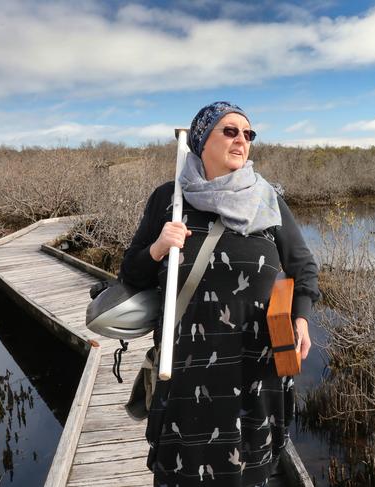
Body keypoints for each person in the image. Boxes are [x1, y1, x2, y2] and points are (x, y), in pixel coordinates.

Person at [118, 101, 320, 487]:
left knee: (251, 469)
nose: (241, 139)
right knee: (182, 470)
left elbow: (303, 267)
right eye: (229, 131)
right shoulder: (169, 200)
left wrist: (301, 317)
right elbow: (131, 274)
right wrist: (159, 247)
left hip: (255, 367)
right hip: (186, 369)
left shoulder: (268, 200)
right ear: (200, 140)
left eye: (248, 133)